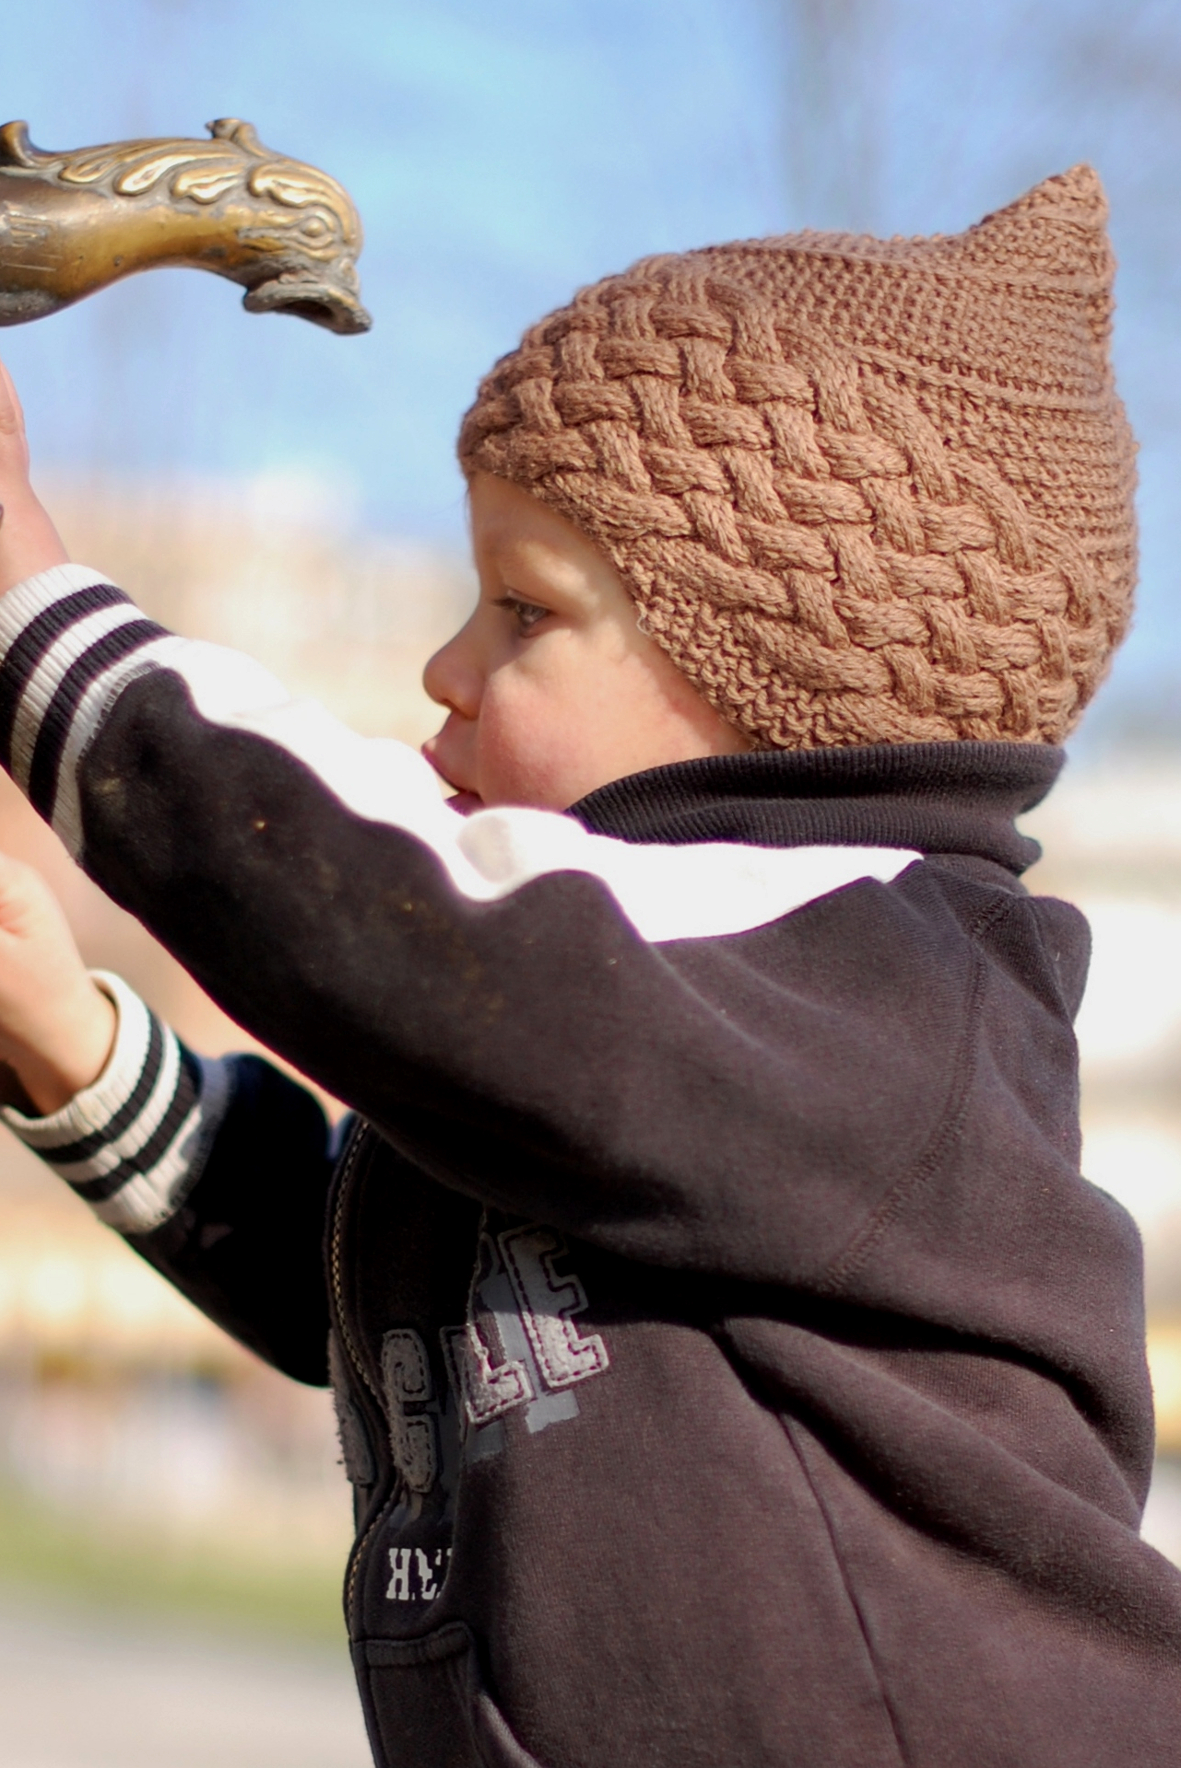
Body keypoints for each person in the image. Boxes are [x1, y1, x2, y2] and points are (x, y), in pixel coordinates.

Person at [0, 162, 1176, 1768]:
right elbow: (403, 1310)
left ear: (784, 667)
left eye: (521, 611)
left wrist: (31, 598)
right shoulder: (652, 1039)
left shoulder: (867, 976)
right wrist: (72, 1044)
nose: (444, 668)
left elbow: (376, 909)